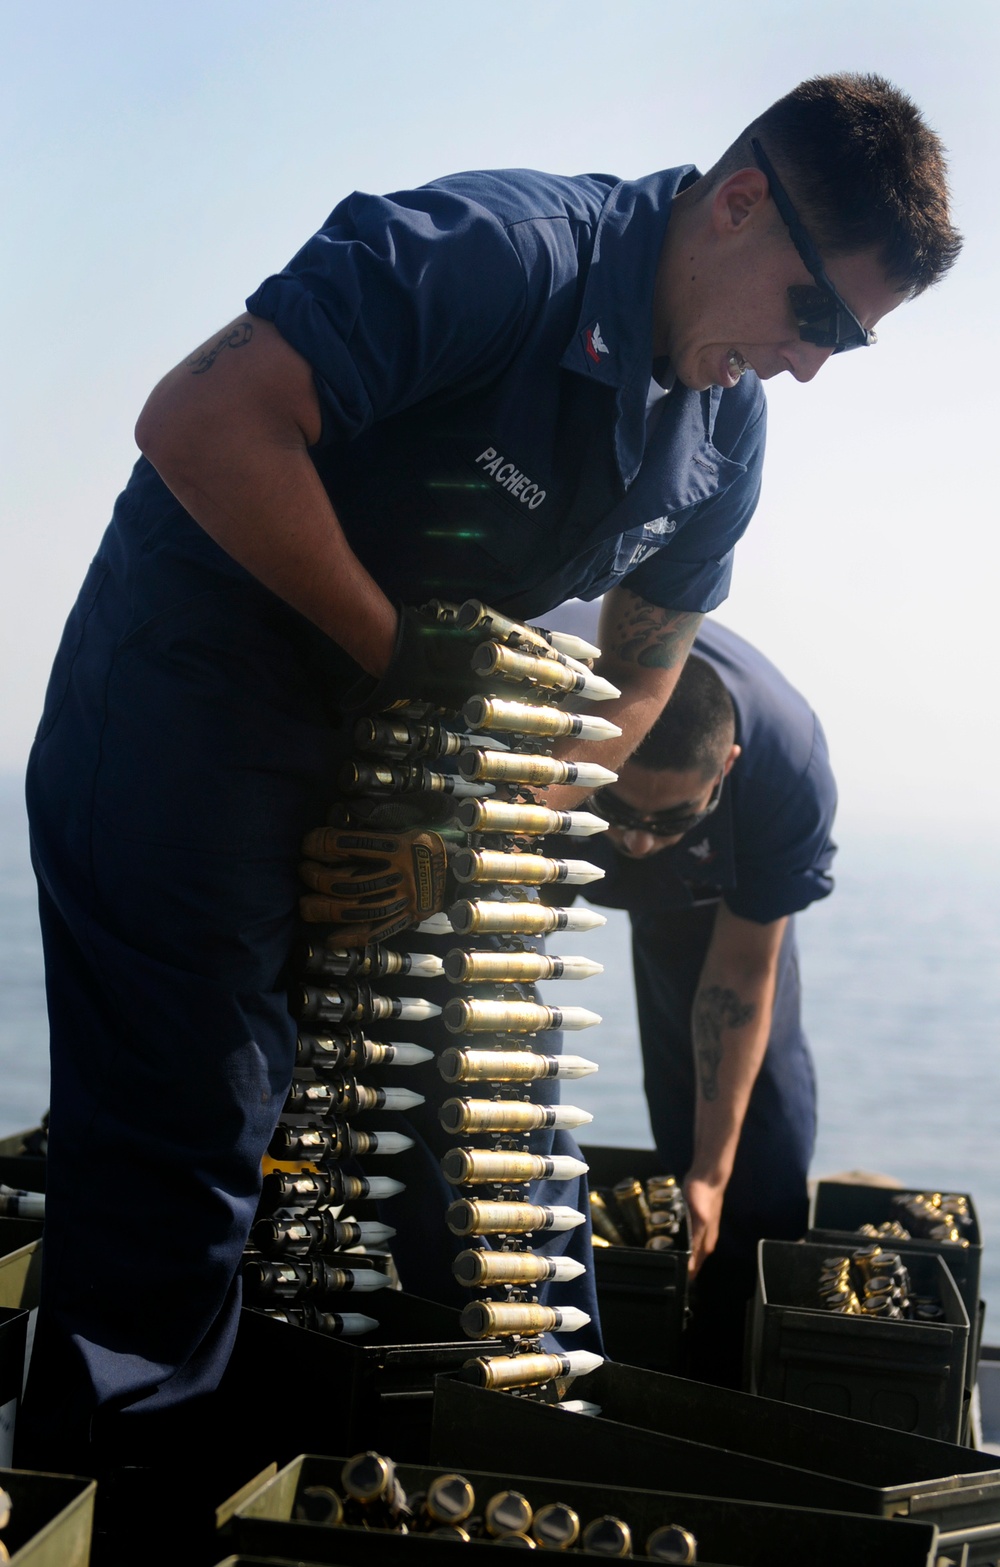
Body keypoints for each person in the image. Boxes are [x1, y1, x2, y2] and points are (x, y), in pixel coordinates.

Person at [21, 72, 958, 1495]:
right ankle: (110, 1503)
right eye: (816, 313)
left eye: (848, 345)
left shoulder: (720, 434)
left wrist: (475, 821)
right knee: (186, 1152)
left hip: (360, 763)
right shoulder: (493, 256)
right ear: (741, 201)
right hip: (183, 715)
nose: (811, 363)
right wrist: (406, 666)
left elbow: (646, 664)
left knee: (319, 1176)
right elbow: (202, 422)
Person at [545, 604, 836, 1385]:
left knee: (745, 1154)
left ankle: (723, 1362)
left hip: (701, 893)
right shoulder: (544, 690)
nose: (638, 841)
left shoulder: (788, 773)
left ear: (728, 766)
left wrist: (708, 1172)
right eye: (628, 812)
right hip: (548, 795)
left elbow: (740, 977)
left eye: (667, 818)